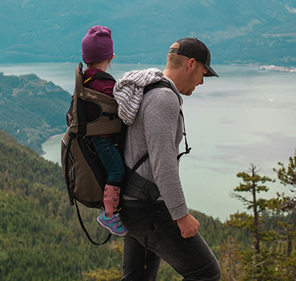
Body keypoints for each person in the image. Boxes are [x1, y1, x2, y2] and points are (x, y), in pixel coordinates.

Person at [113, 38, 221, 281]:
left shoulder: (146, 89)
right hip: (148, 208)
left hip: (132, 203)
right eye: (203, 73)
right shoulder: (163, 98)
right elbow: (163, 165)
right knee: (206, 273)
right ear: (191, 64)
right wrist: (181, 215)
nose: (202, 81)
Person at [80, 25, 127, 237]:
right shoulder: (105, 84)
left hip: (93, 137)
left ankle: (111, 209)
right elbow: (121, 107)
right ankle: (109, 215)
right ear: (111, 57)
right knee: (117, 171)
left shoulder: (86, 79)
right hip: (104, 140)